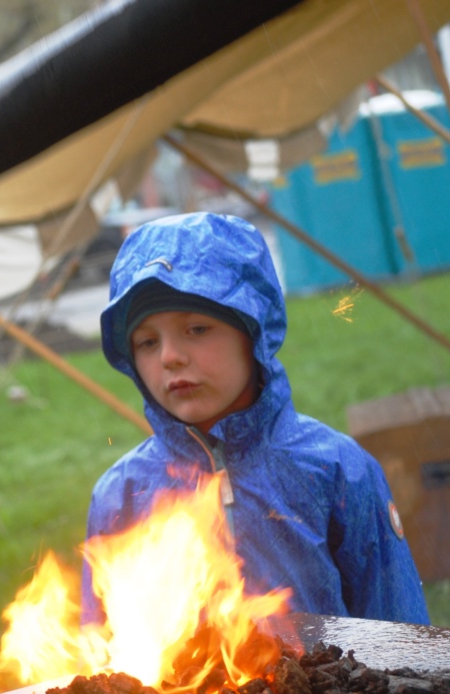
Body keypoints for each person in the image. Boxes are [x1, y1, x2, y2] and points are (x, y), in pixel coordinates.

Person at [81, 213, 429, 628]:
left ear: (253, 332)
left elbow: (400, 631)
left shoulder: (337, 471)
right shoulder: (121, 495)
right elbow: (100, 649)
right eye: (147, 341)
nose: (170, 357)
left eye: (197, 329)